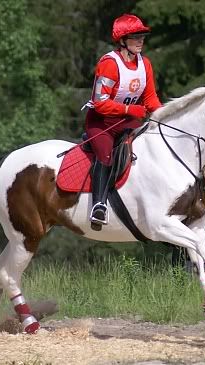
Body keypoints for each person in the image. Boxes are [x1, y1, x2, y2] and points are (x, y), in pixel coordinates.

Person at [84, 14, 162, 228]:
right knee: (106, 156)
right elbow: (99, 102)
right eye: (135, 37)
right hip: (102, 123)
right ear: (122, 41)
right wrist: (130, 108)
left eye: (142, 37)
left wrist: (164, 115)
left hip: (127, 122)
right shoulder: (110, 63)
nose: (140, 41)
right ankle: (98, 205)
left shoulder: (144, 64)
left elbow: (150, 98)